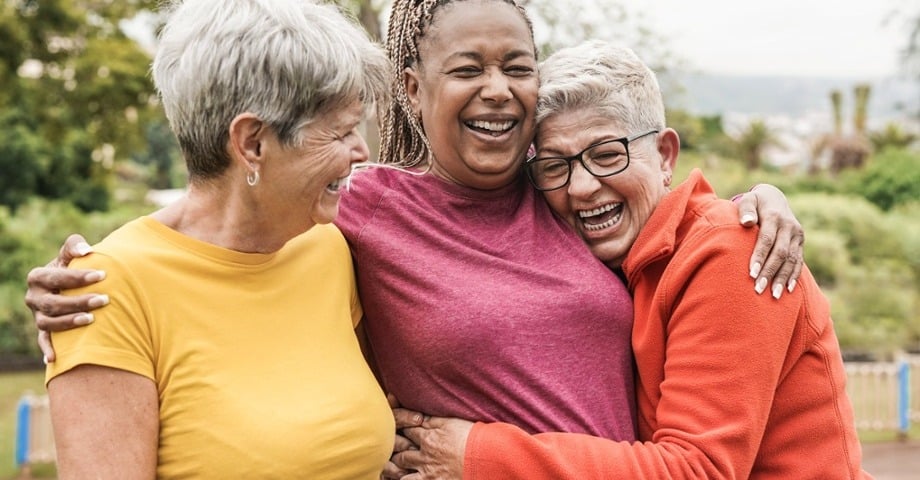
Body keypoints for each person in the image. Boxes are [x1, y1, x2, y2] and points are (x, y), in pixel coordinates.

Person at [27, 0, 804, 473]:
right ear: (412, 88)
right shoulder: (357, 214)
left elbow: (660, 209)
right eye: (467, 67)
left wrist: (757, 204)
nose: (498, 89)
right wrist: (77, 281)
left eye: (518, 67)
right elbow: (217, 230)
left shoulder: (566, 190)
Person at [387, 40, 870, 479]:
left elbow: (695, 471)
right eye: (556, 165)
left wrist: (475, 453)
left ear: (664, 155)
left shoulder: (732, 254)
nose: (581, 187)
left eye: (606, 155)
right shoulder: (616, 255)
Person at [40, 0, 395, 478]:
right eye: (342, 132)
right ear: (252, 143)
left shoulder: (327, 244)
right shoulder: (106, 290)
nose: (362, 151)